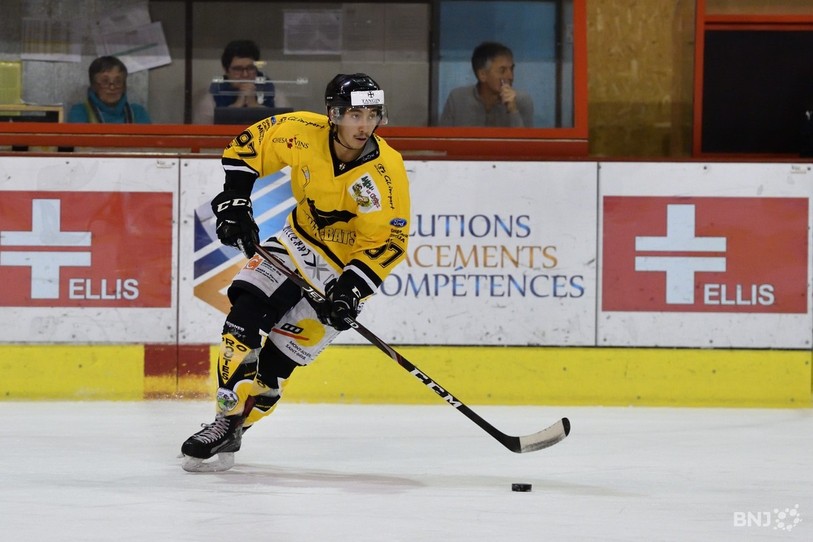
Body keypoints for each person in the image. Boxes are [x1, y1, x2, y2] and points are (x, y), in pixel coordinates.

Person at [180, 73, 411, 472]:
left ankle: (239, 424)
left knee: (272, 369)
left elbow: (386, 244)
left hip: (341, 271)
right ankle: (224, 420)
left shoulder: (385, 175)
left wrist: (350, 291)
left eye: (372, 115)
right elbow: (248, 146)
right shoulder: (302, 132)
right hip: (293, 244)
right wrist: (235, 200)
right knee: (243, 318)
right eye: (355, 114)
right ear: (334, 114)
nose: (364, 125)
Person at [440, 41, 533, 128]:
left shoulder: (522, 101)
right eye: (502, 70)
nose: (511, 76)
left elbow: (525, 144)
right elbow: (442, 141)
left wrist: (513, 110)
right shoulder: (457, 98)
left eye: (511, 69)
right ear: (482, 75)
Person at [195, 39, 289, 124]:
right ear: (226, 70)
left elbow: (285, 131)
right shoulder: (211, 98)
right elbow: (204, 135)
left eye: (250, 68)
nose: (245, 74)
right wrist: (236, 107)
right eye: (237, 69)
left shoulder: (276, 96)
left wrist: (254, 107)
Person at [67, 56, 150, 123]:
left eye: (118, 81)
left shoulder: (137, 113)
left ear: (124, 86)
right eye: (105, 81)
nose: (112, 87)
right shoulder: (80, 112)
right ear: (93, 85)